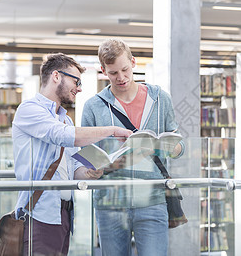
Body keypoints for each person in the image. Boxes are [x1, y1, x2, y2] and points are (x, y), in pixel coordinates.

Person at [12, 52, 133, 256]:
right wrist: (111, 130)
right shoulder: (29, 109)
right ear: (56, 76)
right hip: (38, 214)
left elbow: (74, 169)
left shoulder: (65, 120)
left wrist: (93, 171)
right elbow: (63, 136)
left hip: (64, 215)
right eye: (76, 81)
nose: (79, 88)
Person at [81, 38, 185, 256]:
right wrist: (92, 168)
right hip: (110, 203)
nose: (121, 78)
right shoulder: (93, 107)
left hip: (152, 200)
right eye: (113, 73)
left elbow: (179, 146)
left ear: (134, 62)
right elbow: (85, 152)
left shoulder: (160, 99)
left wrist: (168, 147)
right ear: (103, 71)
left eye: (125, 70)